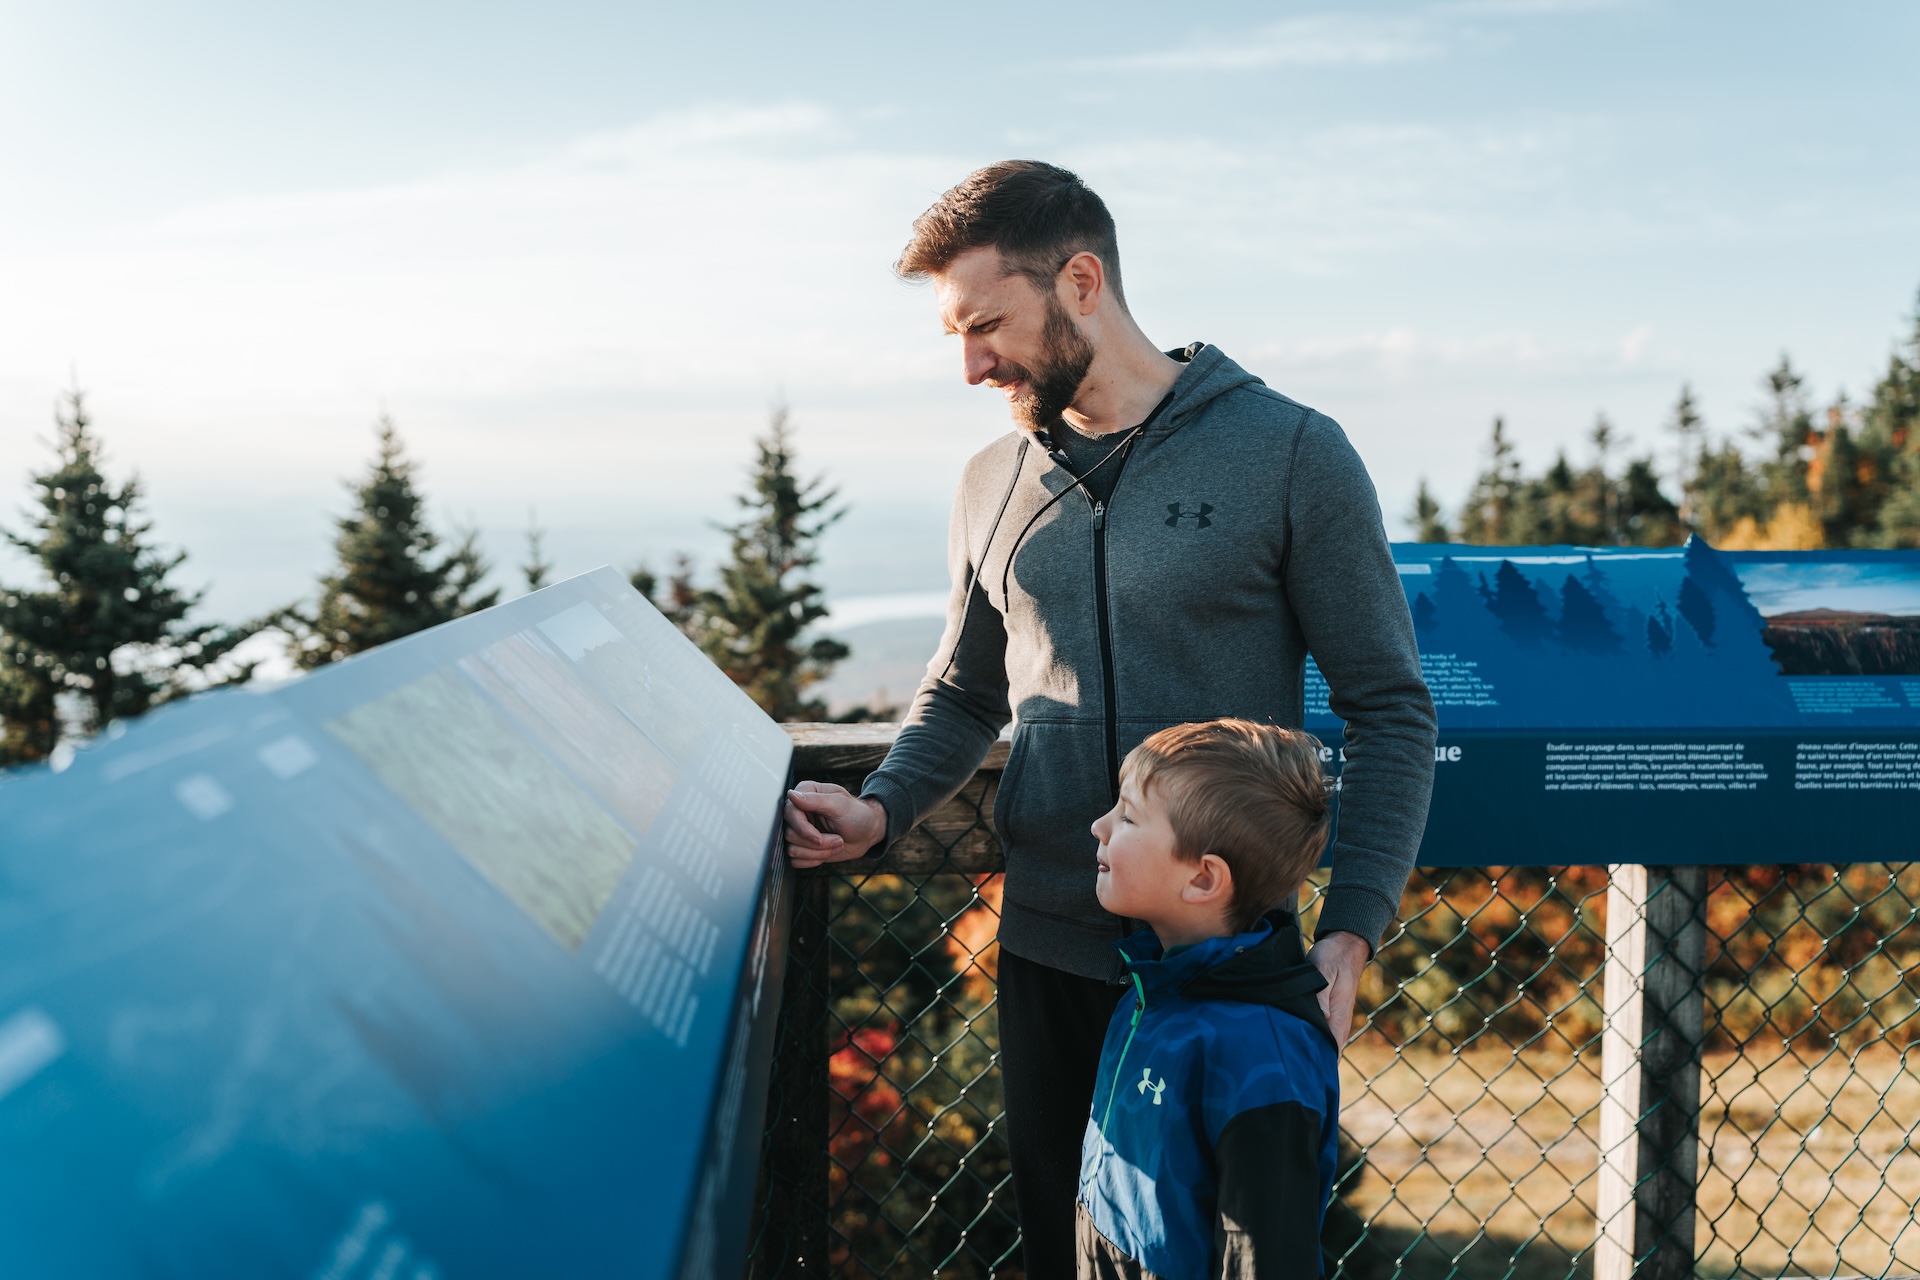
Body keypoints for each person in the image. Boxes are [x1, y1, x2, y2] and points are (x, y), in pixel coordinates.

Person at [784, 160, 1436, 1279]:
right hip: (1044, 946)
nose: (971, 364)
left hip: (1228, 967)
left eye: (987, 323)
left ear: (1081, 280)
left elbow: (1391, 708)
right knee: (1068, 1253)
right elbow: (961, 690)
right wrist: (880, 807)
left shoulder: (1290, 452)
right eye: (956, 332)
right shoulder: (992, 476)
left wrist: (1353, 927)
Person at [1077, 719, 1338, 1280]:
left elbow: (1265, 1260)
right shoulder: (1152, 993)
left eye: (1127, 816)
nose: (1099, 826)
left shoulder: (1262, 1058)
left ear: (1202, 879)